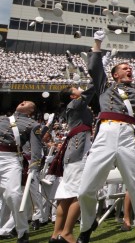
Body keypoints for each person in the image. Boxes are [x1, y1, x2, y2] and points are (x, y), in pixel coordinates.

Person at [76, 31, 135, 242]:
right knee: (86, 189)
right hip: (106, 132)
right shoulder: (105, 87)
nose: (129, 69)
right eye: (124, 68)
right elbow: (94, 67)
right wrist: (97, 42)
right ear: (114, 75)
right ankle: (87, 225)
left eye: (129, 68)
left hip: (127, 136)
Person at [48, 81, 95, 243]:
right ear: (73, 96)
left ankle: (56, 234)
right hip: (78, 151)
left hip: (73, 151)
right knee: (79, 193)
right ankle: (67, 233)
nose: (80, 89)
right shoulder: (75, 104)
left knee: (66, 195)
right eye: (77, 89)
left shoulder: (72, 106)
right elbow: (92, 90)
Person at [0, 100, 46, 243]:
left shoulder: (33, 125)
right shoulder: (2, 118)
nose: (23, 101)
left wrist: (34, 167)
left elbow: (36, 147)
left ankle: (22, 232)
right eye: (22, 101)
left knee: (13, 195)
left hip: (11, 159)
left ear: (31, 111)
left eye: (28, 102)